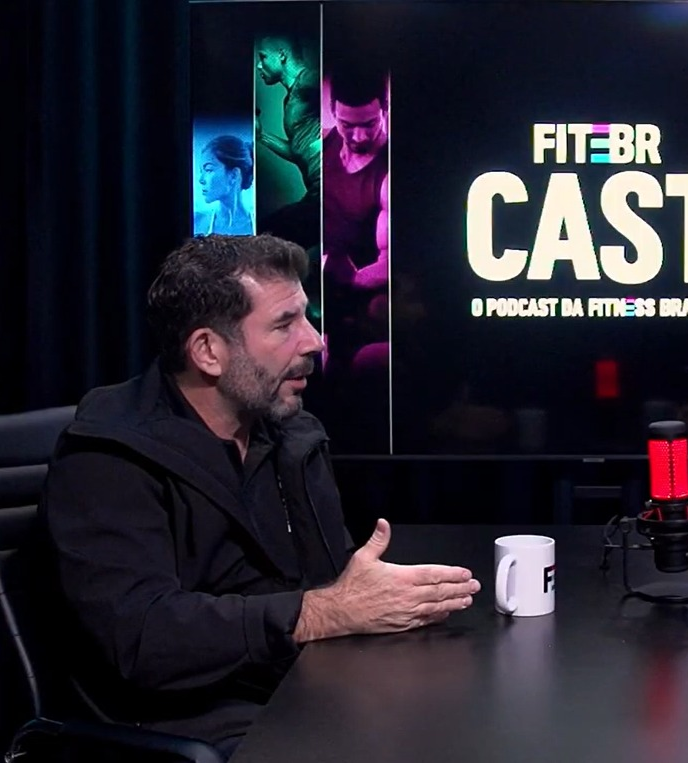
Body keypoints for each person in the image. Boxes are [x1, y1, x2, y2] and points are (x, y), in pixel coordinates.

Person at [40, 234, 479, 757]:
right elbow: (143, 637)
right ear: (208, 351)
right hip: (185, 720)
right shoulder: (108, 457)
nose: (315, 342)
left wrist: (378, 597)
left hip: (298, 685)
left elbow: (331, 581)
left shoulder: (294, 436)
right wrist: (319, 613)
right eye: (284, 325)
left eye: (306, 317)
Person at [321, 67, 390, 376]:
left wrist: (342, 279)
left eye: (370, 124)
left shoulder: (388, 174)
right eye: (347, 125)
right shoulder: (324, 144)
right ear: (333, 112)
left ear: (384, 110)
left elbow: (391, 264)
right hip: (315, 291)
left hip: (362, 305)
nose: (359, 136)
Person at [254, 36, 322, 248]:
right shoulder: (291, 98)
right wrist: (261, 136)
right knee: (275, 242)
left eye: (263, 57)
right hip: (317, 194)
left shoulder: (306, 80)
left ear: (281, 55)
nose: (259, 65)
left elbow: (338, 81)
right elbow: (298, 152)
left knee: (268, 239)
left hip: (330, 195)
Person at [194, 135, 255, 236]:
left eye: (208, 170)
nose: (201, 180)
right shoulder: (196, 221)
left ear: (234, 175)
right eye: (201, 172)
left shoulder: (259, 224)